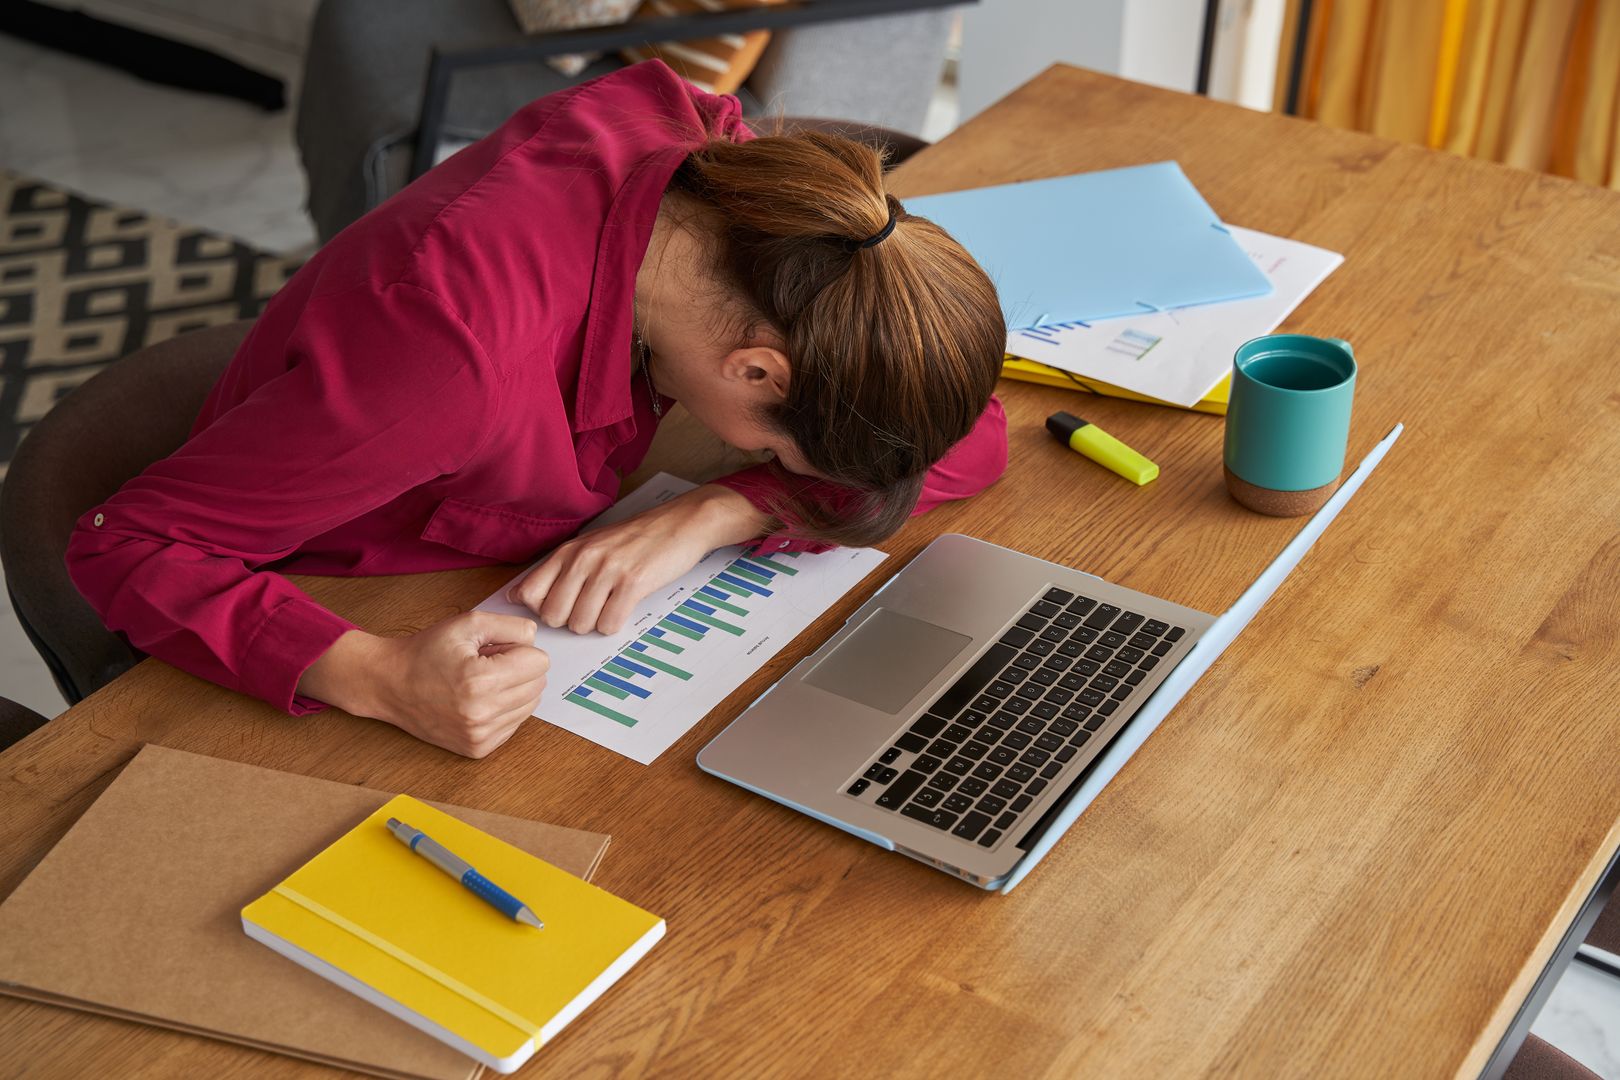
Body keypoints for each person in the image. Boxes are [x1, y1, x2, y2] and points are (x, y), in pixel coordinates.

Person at [66, 61, 1008, 758]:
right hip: (359, 591)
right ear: (759, 372)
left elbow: (970, 442)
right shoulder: (449, 366)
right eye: (774, 450)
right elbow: (122, 542)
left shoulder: (720, 188)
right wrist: (378, 676)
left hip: (494, 473)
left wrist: (719, 509)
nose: (762, 459)